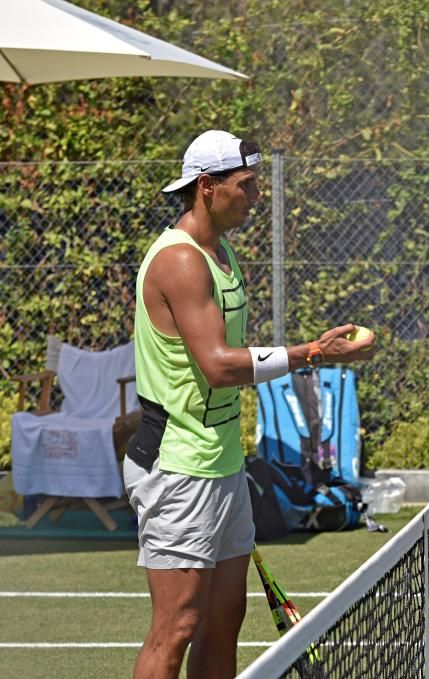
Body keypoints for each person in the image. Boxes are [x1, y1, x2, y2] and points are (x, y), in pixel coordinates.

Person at [123, 130, 375, 679]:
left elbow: (227, 356)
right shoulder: (180, 262)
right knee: (178, 626)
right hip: (177, 468)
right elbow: (217, 363)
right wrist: (312, 352)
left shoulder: (222, 254)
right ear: (207, 187)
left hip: (221, 461)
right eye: (247, 185)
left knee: (224, 618)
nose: (257, 197)